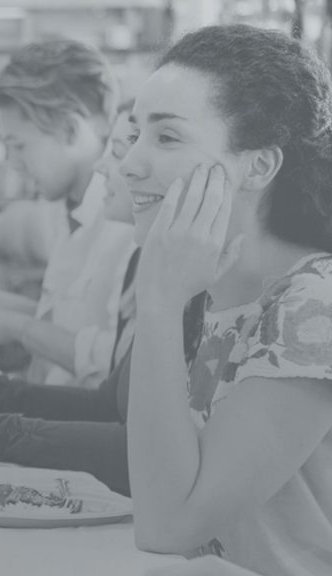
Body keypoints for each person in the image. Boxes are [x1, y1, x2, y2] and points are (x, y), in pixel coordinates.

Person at [0, 105, 206, 496]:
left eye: (124, 148)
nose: (113, 168)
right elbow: (106, 406)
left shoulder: (198, 287)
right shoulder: (169, 272)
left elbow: (144, 455)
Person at [123, 25, 332, 576]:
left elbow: (167, 528)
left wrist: (159, 304)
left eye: (166, 138)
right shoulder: (212, 288)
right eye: (135, 132)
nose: (129, 163)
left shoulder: (313, 308)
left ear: (259, 166)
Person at [0, 39, 134, 389]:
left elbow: (121, 362)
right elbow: (80, 328)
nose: (12, 164)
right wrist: (6, 312)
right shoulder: (70, 206)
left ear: (71, 130)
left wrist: (19, 327)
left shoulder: (129, 221)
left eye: (19, 146)